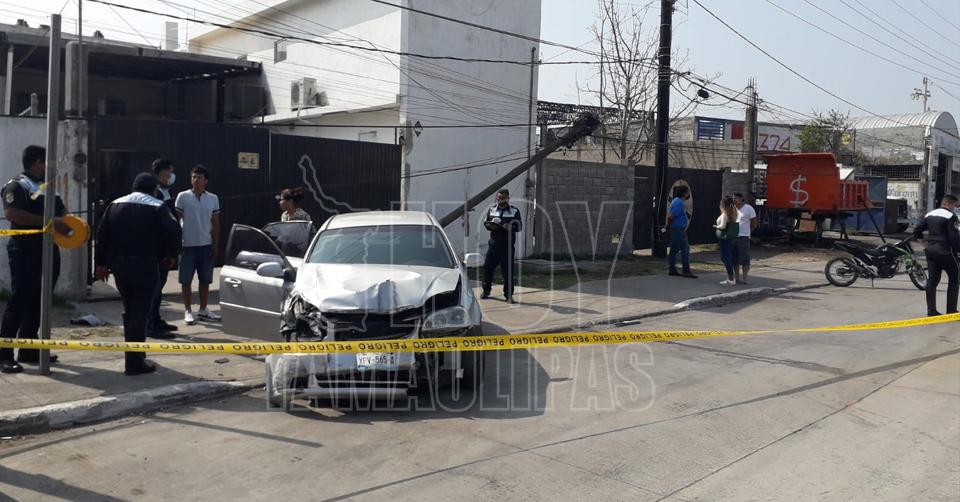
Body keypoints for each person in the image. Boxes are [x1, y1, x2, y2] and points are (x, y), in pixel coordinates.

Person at [95, 173, 181, 375]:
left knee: (130, 309)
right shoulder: (158, 206)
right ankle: (134, 361)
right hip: (146, 265)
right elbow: (174, 231)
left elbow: (101, 235)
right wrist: (170, 255)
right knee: (140, 311)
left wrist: (100, 263)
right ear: (154, 189)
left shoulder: (115, 205)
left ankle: (135, 355)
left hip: (120, 267)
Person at [0, 145, 73, 374]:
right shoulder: (18, 185)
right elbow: (13, 214)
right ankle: (4, 354)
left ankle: (29, 349)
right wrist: (49, 222)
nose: (53, 167)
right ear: (38, 162)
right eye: (49, 162)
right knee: (20, 299)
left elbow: (62, 214)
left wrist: (71, 225)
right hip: (24, 250)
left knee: (40, 301)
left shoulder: (48, 188)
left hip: (48, 250)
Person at [175, 165, 221, 325]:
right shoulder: (182, 197)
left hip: (205, 244)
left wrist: (215, 244)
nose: (195, 180)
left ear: (206, 180)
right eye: (193, 177)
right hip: (187, 245)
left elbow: (215, 223)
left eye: (199, 177)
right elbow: (176, 221)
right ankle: (188, 310)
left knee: (205, 279)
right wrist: (177, 243)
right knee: (185, 280)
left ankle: (203, 309)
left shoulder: (213, 198)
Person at [146, 158, 179, 339]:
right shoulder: (155, 191)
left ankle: (156, 319)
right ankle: (151, 325)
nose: (171, 175)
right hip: (159, 247)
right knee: (154, 288)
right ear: (163, 171)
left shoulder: (164, 190)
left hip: (166, 246)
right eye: (170, 171)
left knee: (160, 287)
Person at [913, 194, 960, 317]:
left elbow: (916, 231)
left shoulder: (929, 215)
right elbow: (954, 237)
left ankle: (931, 310)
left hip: (931, 251)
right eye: (954, 205)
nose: (954, 208)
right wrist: (958, 250)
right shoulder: (951, 216)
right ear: (948, 204)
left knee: (932, 281)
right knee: (954, 280)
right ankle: (951, 311)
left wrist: (923, 243)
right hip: (946, 251)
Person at [481, 189, 522, 303]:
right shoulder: (491, 210)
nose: (500, 200)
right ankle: (486, 291)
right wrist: (490, 226)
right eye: (499, 198)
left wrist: (510, 227)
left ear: (508, 198)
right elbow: (486, 222)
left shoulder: (514, 211)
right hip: (494, 245)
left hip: (507, 247)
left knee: (508, 271)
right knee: (488, 268)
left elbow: (519, 226)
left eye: (503, 198)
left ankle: (508, 296)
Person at [666, 185, 697, 278]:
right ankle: (686, 270)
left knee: (674, 249)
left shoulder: (675, 200)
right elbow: (671, 216)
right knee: (685, 249)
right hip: (678, 229)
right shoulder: (679, 203)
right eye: (687, 192)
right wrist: (670, 224)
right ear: (684, 193)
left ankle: (672, 269)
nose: (688, 194)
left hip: (675, 229)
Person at [732, 192, 758, 284]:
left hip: (743, 237)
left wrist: (748, 232)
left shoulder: (748, 208)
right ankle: (737, 278)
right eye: (733, 198)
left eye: (736, 198)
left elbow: (754, 223)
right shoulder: (732, 208)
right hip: (733, 236)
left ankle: (744, 278)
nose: (734, 200)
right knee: (734, 258)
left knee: (744, 258)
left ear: (741, 199)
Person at [714, 195, 740, 285]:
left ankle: (731, 278)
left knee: (725, 257)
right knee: (727, 256)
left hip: (724, 237)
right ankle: (731, 277)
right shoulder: (733, 212)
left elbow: (722, 226)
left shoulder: (725, 214)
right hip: (729, 237)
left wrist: (716, 226)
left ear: (723, 204)